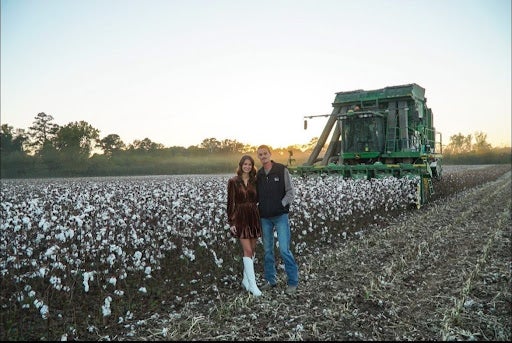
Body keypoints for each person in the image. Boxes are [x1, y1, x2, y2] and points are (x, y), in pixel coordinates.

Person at [256, 145, 299, 295]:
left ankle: (293, 282)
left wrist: (280, 205)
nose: (263, 156)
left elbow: (290, 192)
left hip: (280, 216)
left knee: (284, 250)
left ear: (270, 154)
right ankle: (270, 280)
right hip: (265, 218)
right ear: (258, 157)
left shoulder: (281, 170)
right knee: (267, 251)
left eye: (265, 153)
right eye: (260, 155)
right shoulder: (259, 174)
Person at [226, 155, 263, 297]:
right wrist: (231, 222)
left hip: (254, 215)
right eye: (245, 164)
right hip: (240, 218)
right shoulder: (233, 181)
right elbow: (230, 203)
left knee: (253, 250)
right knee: (247, 250)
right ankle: (253, 286)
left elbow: (260, 198)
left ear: (252, 166)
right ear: (241, 165)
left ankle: (245, 281)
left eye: (250, 164)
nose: (247, 166)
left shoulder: (255, 181)